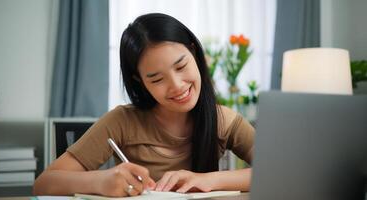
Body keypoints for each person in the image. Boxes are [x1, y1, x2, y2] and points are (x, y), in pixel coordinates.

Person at [33, 13, 254, 197]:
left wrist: (209, 180)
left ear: (194, 53)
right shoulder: (122, 121)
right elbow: (44, 183)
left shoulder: (224, 121)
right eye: (157, 79)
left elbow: (280, 173)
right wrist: (101, 182)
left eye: (181, 66)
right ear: (140, 81)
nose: (177, 86)